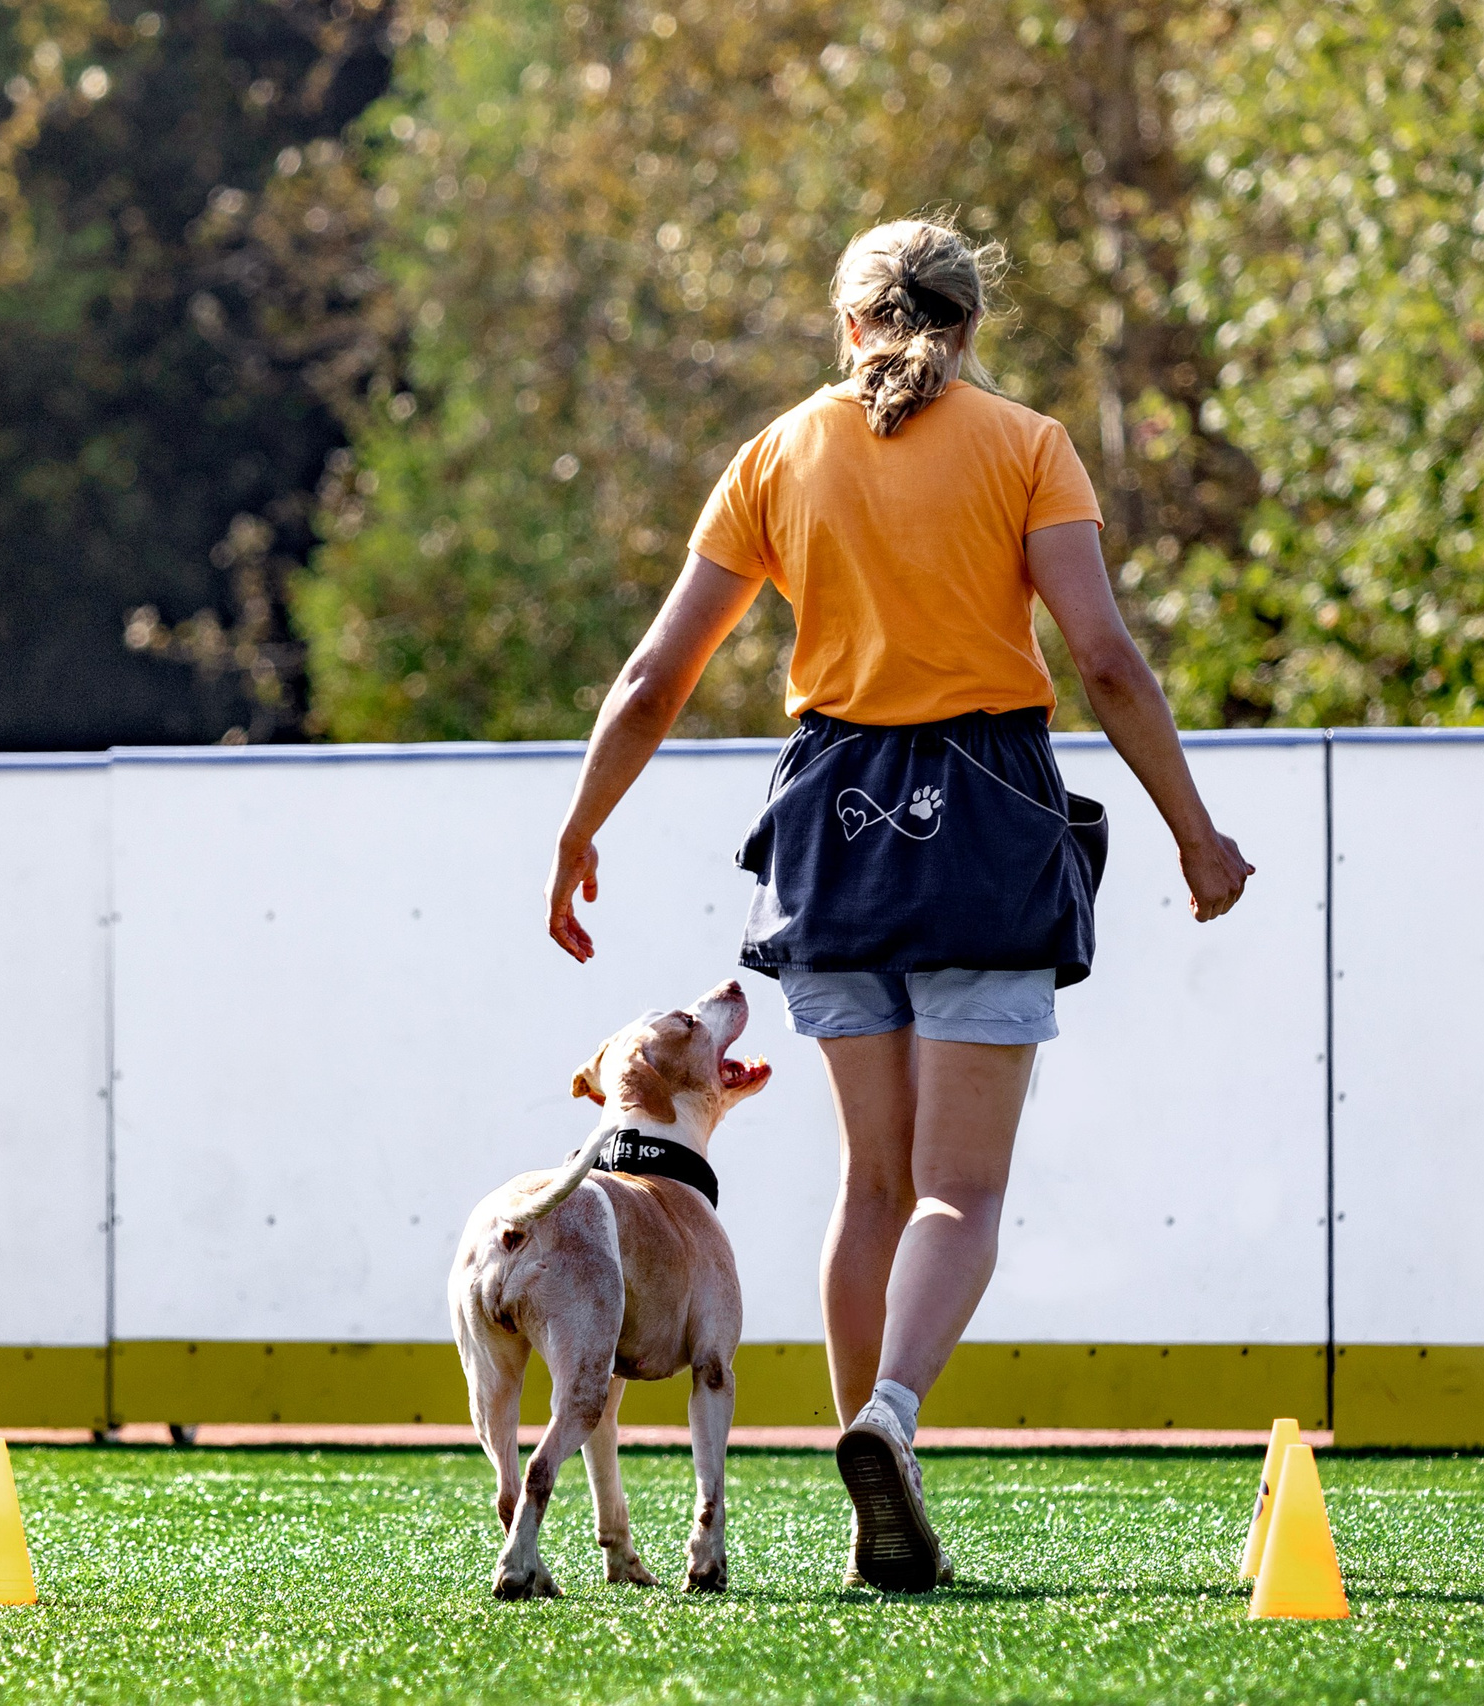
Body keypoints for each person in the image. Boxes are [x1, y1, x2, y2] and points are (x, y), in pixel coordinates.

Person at [545, 217, 1253, 1591]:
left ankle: (878, 1482)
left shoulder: (777, 454)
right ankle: (893, 1419)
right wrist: (1195, 832)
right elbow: (1103, 658)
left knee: (872, 1180)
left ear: (844, 324)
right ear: (972, 326)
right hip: (986, 818)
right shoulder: (1028, 444)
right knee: (962, 1187)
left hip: (835, 827)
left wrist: (581, 830)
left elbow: (650, 679)